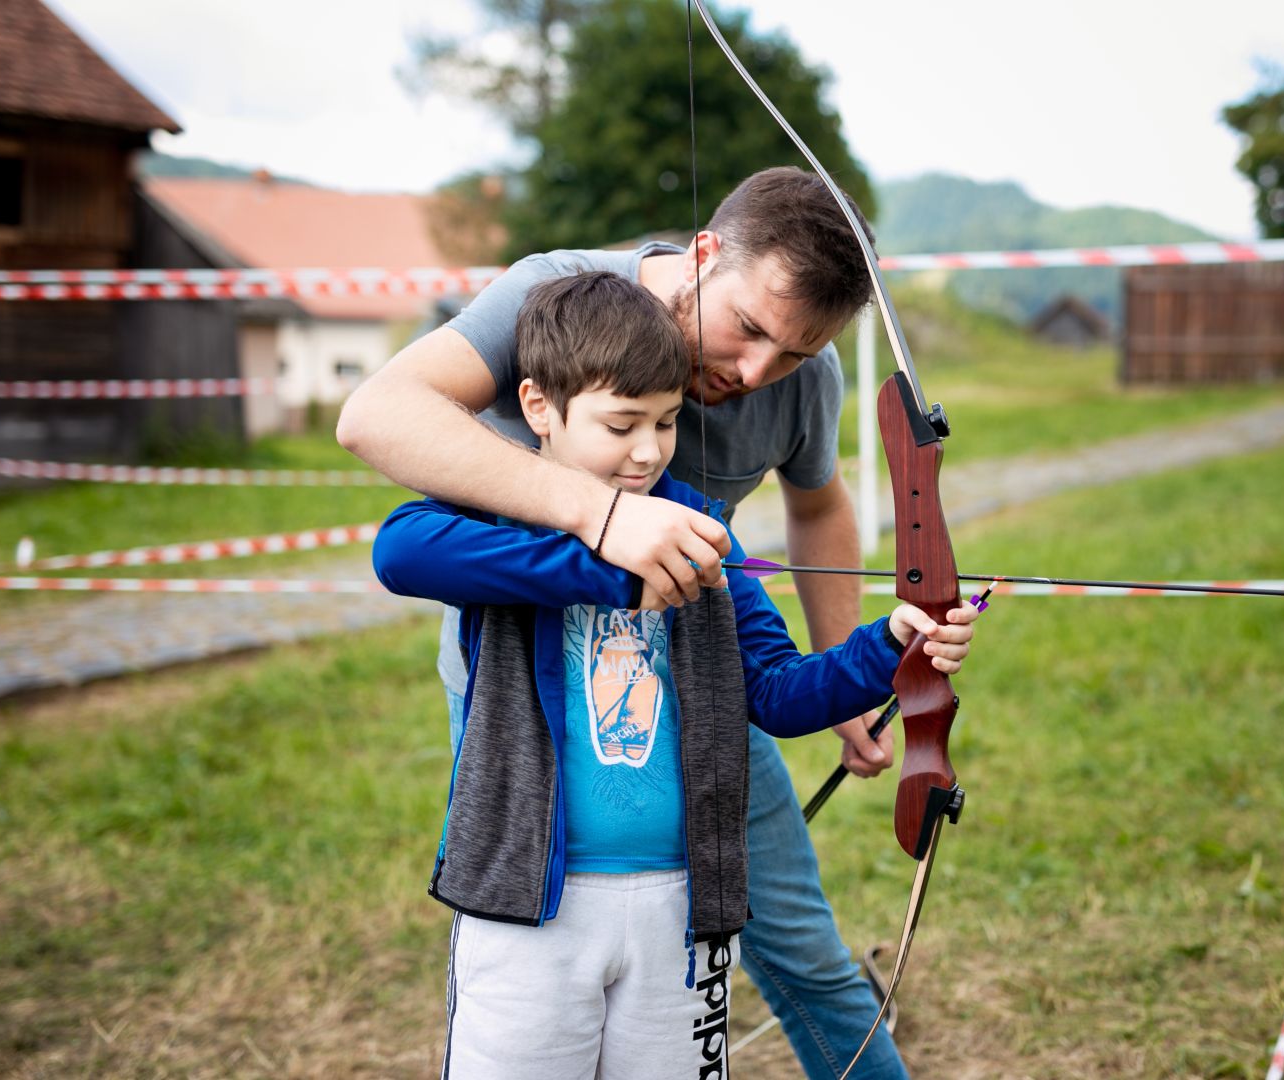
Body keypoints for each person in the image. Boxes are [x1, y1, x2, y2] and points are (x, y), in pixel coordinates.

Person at [340, 167, 912, 1078]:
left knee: (802, 953)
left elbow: (818, 508)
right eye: (749, 328)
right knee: (537, 951)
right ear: (703, 254)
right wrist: (604, 524)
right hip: (523, 697)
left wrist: (852, 669)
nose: (756, 373)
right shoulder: (556, 297)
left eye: (795, 354)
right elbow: (377, 421)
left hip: (708, 681)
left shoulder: (795, 382)